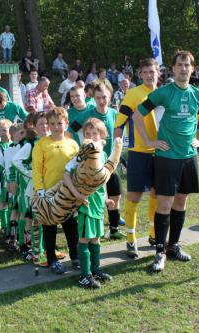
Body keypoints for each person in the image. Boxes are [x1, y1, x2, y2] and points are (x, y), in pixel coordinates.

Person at [134, 51, 199, 271]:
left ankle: (173, 246)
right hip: (166, 158)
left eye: (187, 65)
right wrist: (151, 140)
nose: (184, 68)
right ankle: (159, 251)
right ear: (173, 68)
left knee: (181, 202)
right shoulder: (164, 93)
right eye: (179, 65)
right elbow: (137, 115)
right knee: (165, 204)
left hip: (188, 157)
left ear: (192, 69)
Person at [114, 58, 160, 257]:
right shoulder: (132, 94)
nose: (149, 75)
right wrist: (116, 149)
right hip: (138, 154)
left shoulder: (164, 93)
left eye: (153, 71)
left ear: (158, 72)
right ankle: (131, 239)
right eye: (145, 72)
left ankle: (153, 234)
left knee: (156, 195)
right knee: (134, 197)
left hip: (161, 154)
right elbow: (119, 124)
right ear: (140, 75)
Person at [63, 118, 113, 288]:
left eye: (95, 134)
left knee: (96, 238)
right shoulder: (82, 155)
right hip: (85, 203)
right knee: (84, 238)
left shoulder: (104, 155)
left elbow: (103, 179)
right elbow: (65, 174)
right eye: (88, 134)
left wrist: (106, 198)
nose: (91, 137)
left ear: (102, 136)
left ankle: (96, 269)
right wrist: (77, 195)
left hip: (98, 202)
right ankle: (84, 275)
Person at [70, 83, 123, 240]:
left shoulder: (114, 113)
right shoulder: (87, 114)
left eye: (104, 97)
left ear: (110, 96)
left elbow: (118, 137)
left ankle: (114, 229)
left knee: (115, 196)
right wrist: (79, 148)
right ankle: (90, 229)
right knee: (95, 198)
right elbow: (70, 130)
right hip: (92, 166)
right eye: (98, 98)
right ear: (93, 98)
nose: (101, 101)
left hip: (110, 164)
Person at [32, 107, 79, 273]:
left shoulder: (73, 144)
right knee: (50, 227)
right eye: (52, 124)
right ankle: (51, 259)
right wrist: (40, 190)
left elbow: (78, 169)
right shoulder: (41, 144)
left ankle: (75, 256)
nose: (56, 127)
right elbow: (36, 169)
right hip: (49, 194)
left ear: (66, 123)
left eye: (59, 123)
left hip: (67, 193)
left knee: (70, 225)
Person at [13, 112, 50, 263]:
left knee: (44, 218)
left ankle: (42, 249)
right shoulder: (31, 144)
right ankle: (32, 249)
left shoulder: (51, 141)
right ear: (34, 126)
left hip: (49, 187)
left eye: (47, 123)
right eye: (41, 124)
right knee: (33, 219)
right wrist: (31, 173)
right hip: (33, 189)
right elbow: (16, 161)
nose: (45, 126)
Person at [0, 119, 13, 235]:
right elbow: (0, 162)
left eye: (4, 130)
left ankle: (12, 226)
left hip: (14, 178)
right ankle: (4, 226)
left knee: (12, 202)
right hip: (2, 179)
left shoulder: (14, 144)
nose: (2, 133)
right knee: (2, 202)